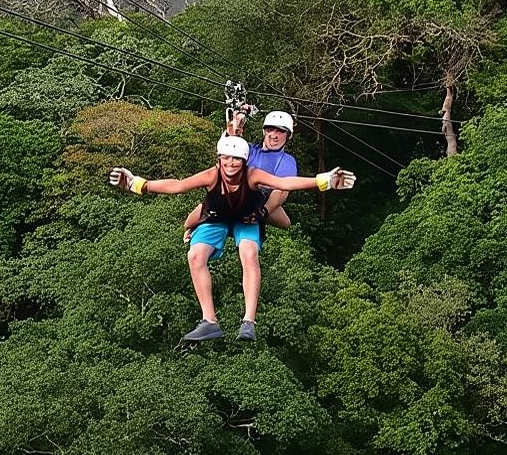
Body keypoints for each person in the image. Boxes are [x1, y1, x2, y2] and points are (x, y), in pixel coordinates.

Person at [110, 135, 355, 343]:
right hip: (216, 218)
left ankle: (248, 322)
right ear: (219, 159)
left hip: (246, 219)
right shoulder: (211, 175)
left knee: (249, 253)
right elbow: (178, 186)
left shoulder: (252, 175)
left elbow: (283, 183)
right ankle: (209, 321)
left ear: (244, 161)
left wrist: (324, 181)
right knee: (195, 256)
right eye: (226, 158)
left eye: (236, 159)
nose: (230, 163)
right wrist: (137, 184)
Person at [182, 110, 298, 240]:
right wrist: (235, 125)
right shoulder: (249, 149)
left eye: (280, 131)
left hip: (261, 198)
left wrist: (263, 212)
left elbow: (281, 191)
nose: (274, 135)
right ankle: (209, 222)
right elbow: (228, 146)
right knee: (189, 222)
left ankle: (243, 221)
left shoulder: (287, 160)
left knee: (285, 222)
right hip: (234, 191)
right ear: (264, 131)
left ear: (288, 136)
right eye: (270, 130)